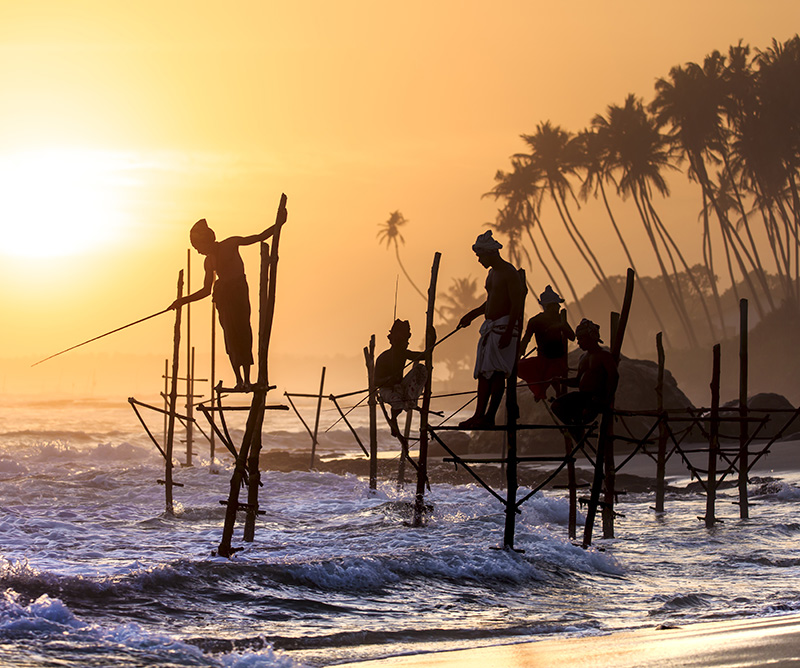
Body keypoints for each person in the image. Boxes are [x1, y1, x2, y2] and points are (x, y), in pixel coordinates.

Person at [170, 213, 286, 390]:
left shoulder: (230, 244)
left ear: (207, 241)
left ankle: (247, 380)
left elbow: (258, 237)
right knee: (230, 338)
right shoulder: (209, 262)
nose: (198, 251)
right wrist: (182, 301)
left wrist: (278, 224)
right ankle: (239, 380)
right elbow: (205, 291)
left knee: (243, 334)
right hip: (224, 298)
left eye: (198, 246)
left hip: (238, 292)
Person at [457, 231, 524, 429]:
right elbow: (491, 301)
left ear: (490, 253)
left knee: (496, 374)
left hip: (504, 327)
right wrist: (472, 314)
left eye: (480, 256)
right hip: (491, 327)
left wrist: (509, 330)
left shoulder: (509, 273)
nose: (479, 260)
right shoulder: (492, 273)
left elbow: (516, 305)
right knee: (485, 373)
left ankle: (489, 415)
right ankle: (479, 415)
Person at [550, 318, 619, 437]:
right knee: (556, 406)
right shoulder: (583, 358)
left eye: (581, 339)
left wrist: (607, 400)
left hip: (596, 398)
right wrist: (561, 381)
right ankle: (576, 429)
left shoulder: (604, 355)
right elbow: (577, 381)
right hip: (582, 397)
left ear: (591, 337)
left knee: (584, 413)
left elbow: (614, 377)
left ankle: (577, 428)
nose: (578, 342)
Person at [517, 285, 575, 401]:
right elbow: (526, 340)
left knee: (554, 374)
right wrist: (517, 355)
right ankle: (541, 392)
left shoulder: (560, 319)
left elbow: (572, 337)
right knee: (519, 367)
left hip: (558, 360)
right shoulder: (535, 321)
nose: (558, 307)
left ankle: (556, 393)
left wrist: (561, 326)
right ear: (549, 306)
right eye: (556, 305)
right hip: (543, 359)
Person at [374, 319, 427, 438]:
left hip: (400, 386)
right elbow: (375, 382)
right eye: (403, 341)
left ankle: (410, 400)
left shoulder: (404, 354)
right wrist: (388, 379)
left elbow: (423, 356)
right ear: (393, 340)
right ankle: (394, 418)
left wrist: (431, 344)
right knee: (397, 400)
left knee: (420, 369)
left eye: (406, 340)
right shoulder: (383, 357)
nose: (406, 343)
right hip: (386, 390)